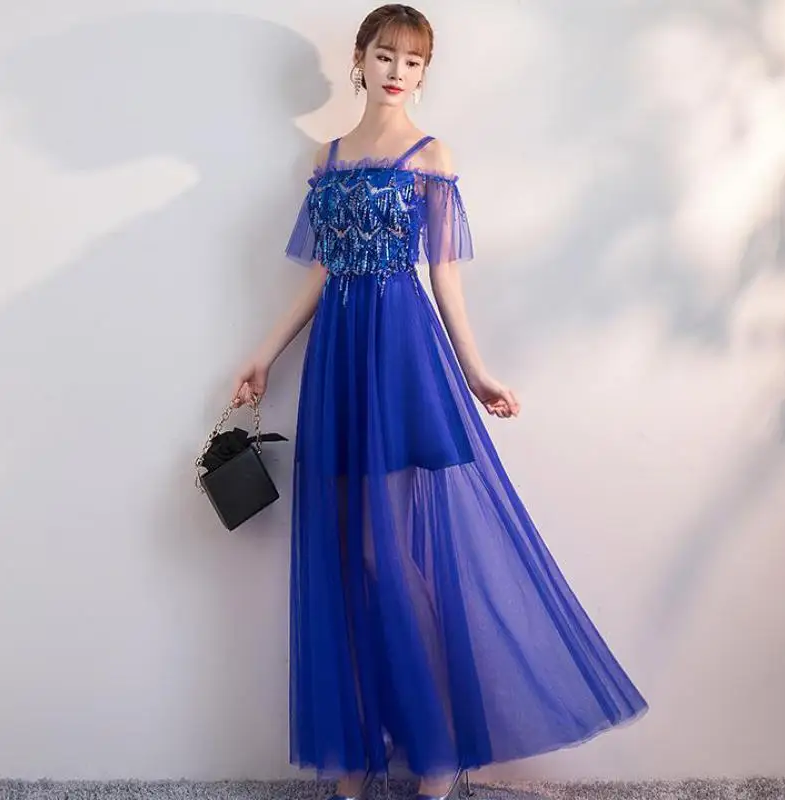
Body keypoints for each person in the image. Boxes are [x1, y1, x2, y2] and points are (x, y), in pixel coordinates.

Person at [231, 5, 649, 800]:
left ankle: (436, 750)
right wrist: (263, 353)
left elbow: (445, 277)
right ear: (359, 60)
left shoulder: (431, 156)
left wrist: (477, 372)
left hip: (399, 356)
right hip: (336, 362)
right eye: (385, 55)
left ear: (424, 72)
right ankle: (358, 754)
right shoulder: (325, 158)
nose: (398, 71)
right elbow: (321, 272)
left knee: (388, 554)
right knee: (346, 556)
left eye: (414, 60)